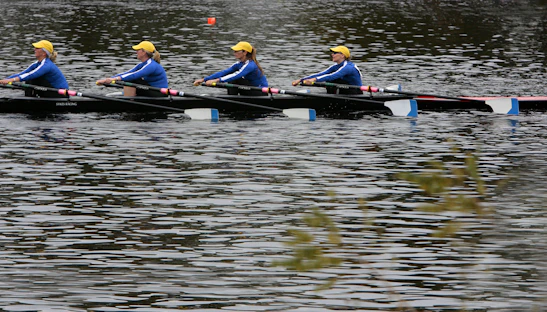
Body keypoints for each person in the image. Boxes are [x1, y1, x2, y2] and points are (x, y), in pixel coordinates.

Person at [193, 41, 268, 96]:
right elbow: (224, 72)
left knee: (234, 79)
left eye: (236, 51)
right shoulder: (239, 64)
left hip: (260, 92)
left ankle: (231, 98)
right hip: (250, 89)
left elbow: (237, 75)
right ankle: (231, 97)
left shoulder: (250, 65)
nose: (234, 53)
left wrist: (216, 80)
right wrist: (204, 79)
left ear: (245, 52)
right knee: (231, 78)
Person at [96, 41, 168, 97]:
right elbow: (128, 73)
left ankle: (128, 100)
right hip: (151, 90)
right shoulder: (143, 64)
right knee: (129, 78)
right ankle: (128, 96)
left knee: (133, 79)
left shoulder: (151, 65)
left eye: (138, 50)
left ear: (144, 52)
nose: (136, 52)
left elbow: (134, 75)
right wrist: (109, 79)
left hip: (159, 93)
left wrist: (114, 79)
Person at [0, 40, 69, 98]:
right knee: (28, 79)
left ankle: (29, 100)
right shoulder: (37, 63)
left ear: (44, 52)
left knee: (31, 78)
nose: (34, 49)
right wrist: (5, 80)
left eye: (37, 48)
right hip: (50, 90)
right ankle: (29, 98)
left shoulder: (46, 65)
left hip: (60, 94)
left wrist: (12, 80)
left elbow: (31, 75)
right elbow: (22, 74)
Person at [292, 45, 363, 95]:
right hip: (343, 90)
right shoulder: (336, 66)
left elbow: (333, 76)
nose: (332, 55)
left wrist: (314, 80)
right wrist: (301, 80)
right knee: (328, 79)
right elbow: (322, 74)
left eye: (335, 53)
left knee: (331, 79)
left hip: (355, 92)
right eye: (332, 53)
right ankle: (332, 95)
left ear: (342, 55)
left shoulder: (348, 67)